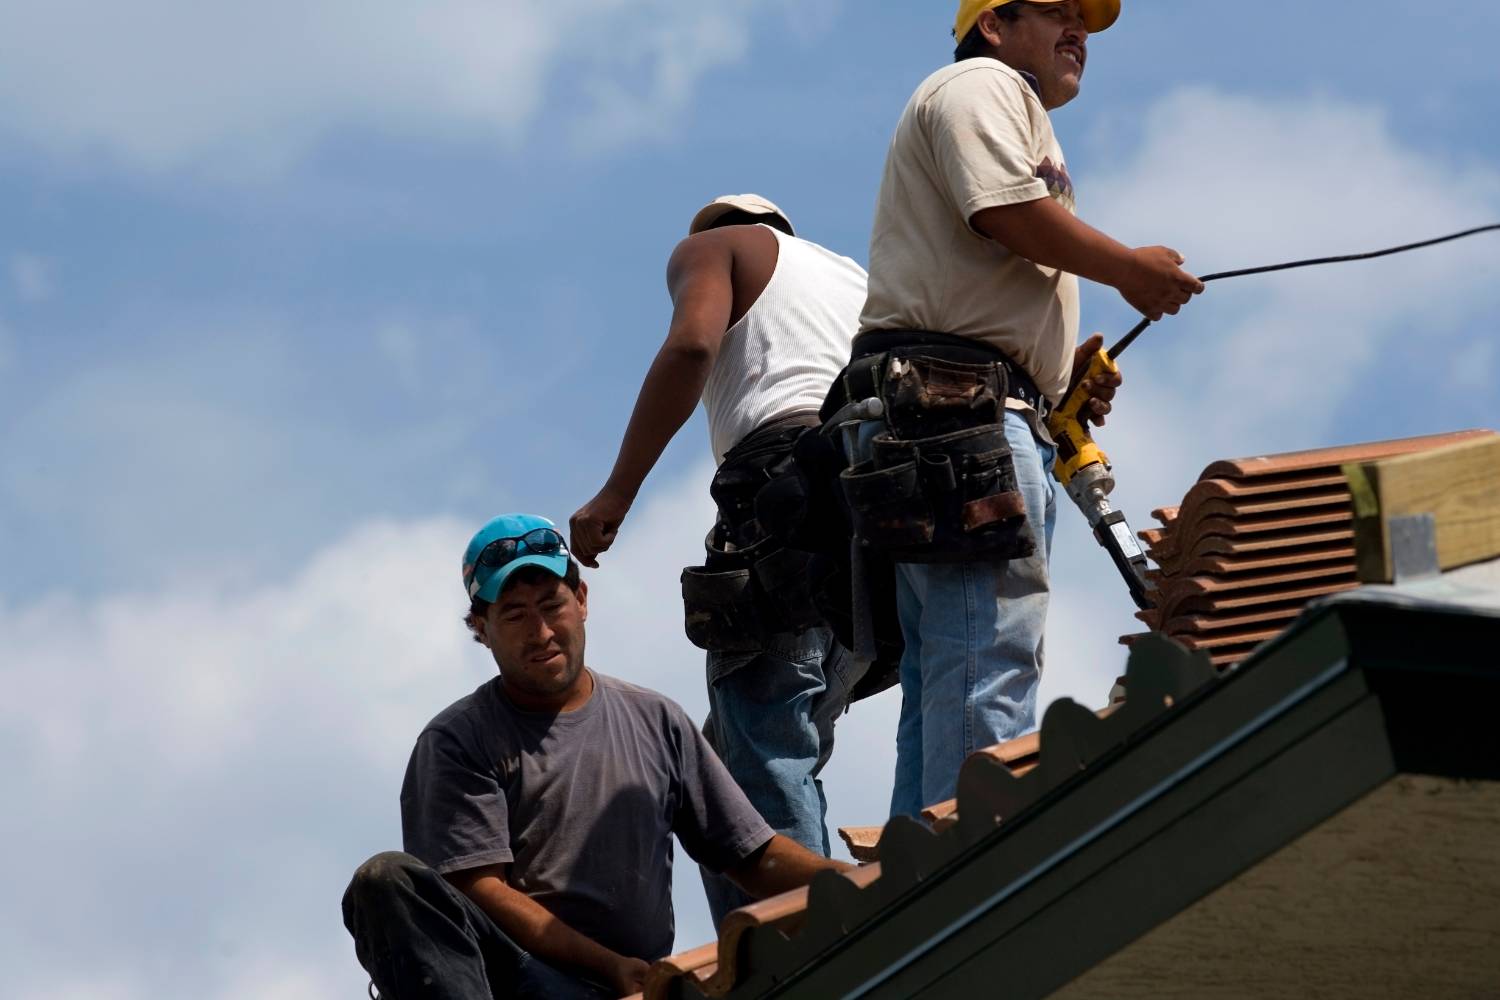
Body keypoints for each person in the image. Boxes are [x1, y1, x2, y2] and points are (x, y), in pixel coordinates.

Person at [841, 0, 1204, 818]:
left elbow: (979, 267)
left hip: (947, 405)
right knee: (984, 656)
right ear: (995, 24)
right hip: (955, 415)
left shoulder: (1000, 103)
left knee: (947, 668)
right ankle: (972, 859)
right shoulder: (980, 83)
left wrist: (1049, 376)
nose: (1078, 31)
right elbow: (1003, 212)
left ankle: (923, 865)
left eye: (1085, 20)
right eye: (1056, 12)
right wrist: (1129, 270)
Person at [342, 514, 851, 999]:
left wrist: (855, 883)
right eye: (514, 615)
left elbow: (750, 853)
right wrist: (607, 964)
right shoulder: (457, 740)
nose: (540, 632)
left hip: (631, 983)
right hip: (514, 979)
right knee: (386, 881)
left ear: (581, 599)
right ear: (481, 628)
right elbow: (478, 891)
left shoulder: (655, 719)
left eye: (551, 605)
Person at [569, 196, 870, 925]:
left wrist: (615, 493)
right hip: (876, 501)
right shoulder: (849, 278)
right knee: (730, 758)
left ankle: (807, 942)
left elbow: (691, 347)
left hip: (788, 487)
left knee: (763, 733)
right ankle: (775, 926)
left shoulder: (713, 247)